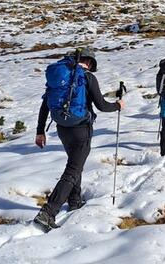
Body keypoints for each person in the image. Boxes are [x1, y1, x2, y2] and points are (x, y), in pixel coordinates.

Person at [33, 47, 124, 232]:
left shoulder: (60, 77)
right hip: (81, 129)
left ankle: (74, 201)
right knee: (73, 171)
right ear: (89, 62)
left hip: (62, 128)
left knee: (75, 164)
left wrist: (40, 131)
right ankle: (48, 213)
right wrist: (118, 105)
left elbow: (45, 105)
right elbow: (101, 105)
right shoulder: (87, 77)